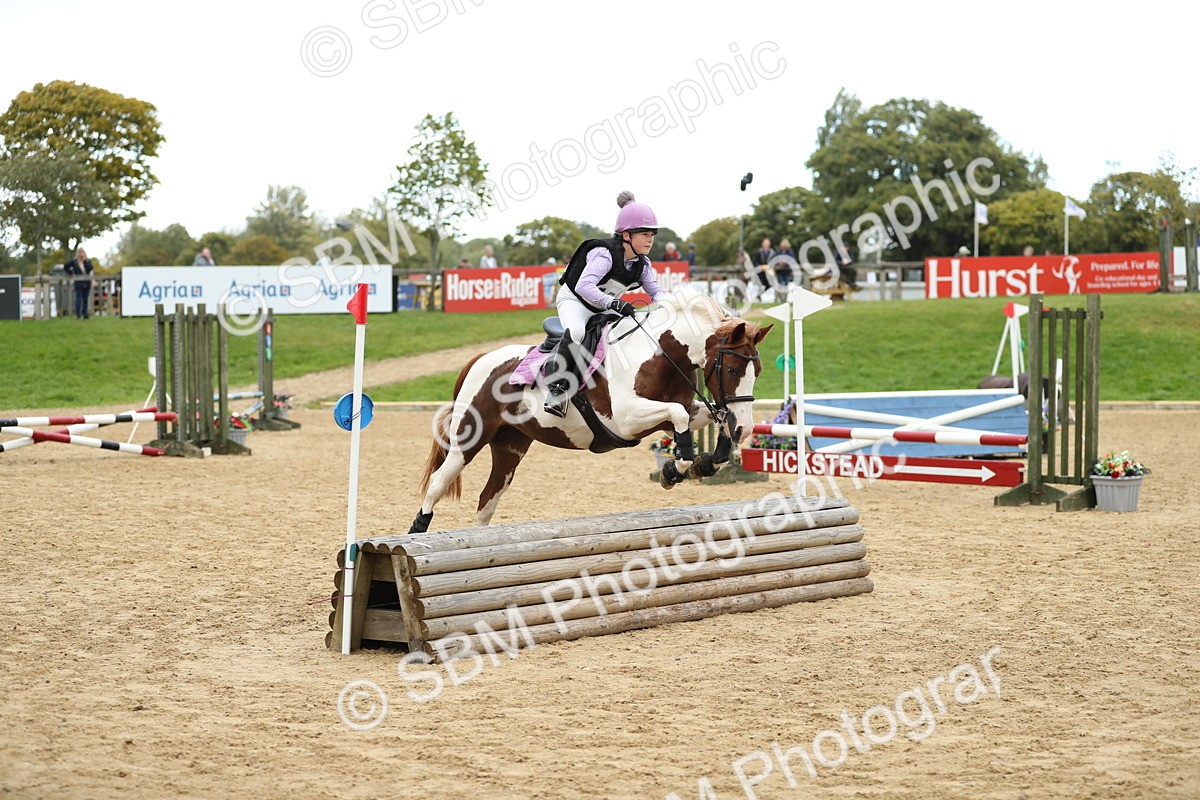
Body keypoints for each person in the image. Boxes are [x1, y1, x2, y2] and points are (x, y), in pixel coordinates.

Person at [544, 190, 665, 417]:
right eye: (645, 233)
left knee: (630, 332)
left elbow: (656, 292)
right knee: (578, 332)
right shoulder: (604, 254)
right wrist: (615, 304)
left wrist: (676, 306)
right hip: (575, 301)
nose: (650, 239)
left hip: (602, 305)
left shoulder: (642, 263)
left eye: (652, 234)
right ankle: (556, 388)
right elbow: (583, 287)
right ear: (626, 235)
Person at [63, 247, 94, 319]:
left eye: (82, 253)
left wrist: (85, 261)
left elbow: (91, 268)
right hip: (78, 282)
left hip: (87, 282)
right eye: (80, 253)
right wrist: (71, 273)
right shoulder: (74, 262)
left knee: (86, 299)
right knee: (79, 298)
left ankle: (85, 313)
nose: (81, 254)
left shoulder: (87, 261)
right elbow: (66, 267)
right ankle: (78, 314)